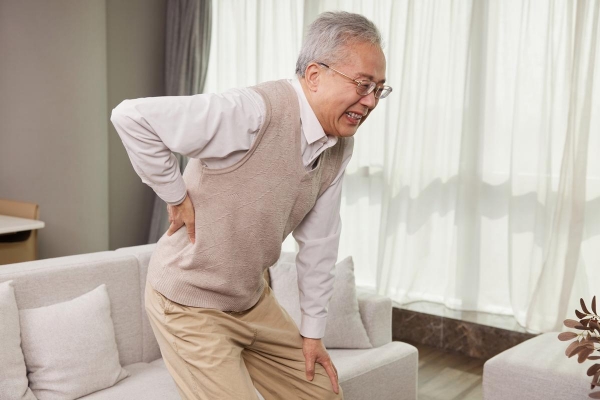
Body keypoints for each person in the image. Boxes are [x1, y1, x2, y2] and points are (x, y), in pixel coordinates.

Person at [111, 10, 391, 400]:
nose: (371, 101)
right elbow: (132, 117)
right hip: (188, 302)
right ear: (314, 75)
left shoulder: (339, 147)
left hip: (250, 300)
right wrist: (175, 195)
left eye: (379, 89)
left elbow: (320, 244)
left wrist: (312, 333)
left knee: (323, 394)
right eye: (363, 85)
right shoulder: (252, 112)